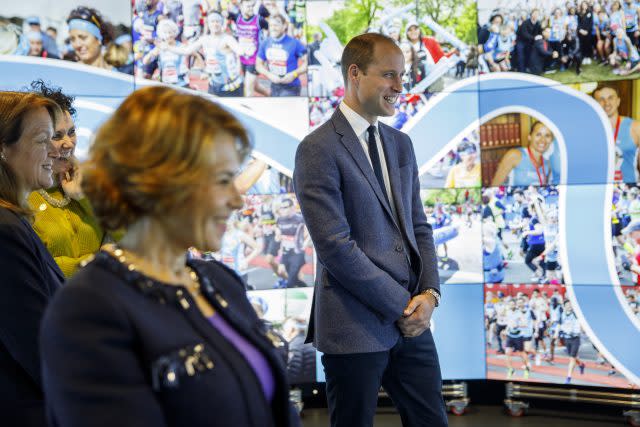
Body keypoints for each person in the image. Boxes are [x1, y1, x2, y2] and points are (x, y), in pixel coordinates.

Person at [39, 86, 300, 427]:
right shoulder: (89, 308)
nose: (236, 201)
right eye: (222, 181)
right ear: (161, 182)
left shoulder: (220, 282)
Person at [293, 33, 446, 427]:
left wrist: (429, 295)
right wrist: (403, 306)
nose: (399, 86)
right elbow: (335, 247)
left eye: (403, 76)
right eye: (389, 75)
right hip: (354, 326)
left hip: (413, 325)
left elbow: (419, 227)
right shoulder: (318, 148)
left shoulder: (401, 144)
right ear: (355, 74)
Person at [0, 91, 63, 426]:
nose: (55, 150)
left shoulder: (12, 223)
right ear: (3, 149)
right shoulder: (5, 231)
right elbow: (40, 349)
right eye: (42, 140)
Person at [27, 80, 105, 278]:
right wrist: (104, 264)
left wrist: (84, 197)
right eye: (57, 135)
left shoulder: (92, 181)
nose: (68, 143)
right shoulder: (19, 194)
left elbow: (128, 236)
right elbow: (40, 268)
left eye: (71, 132)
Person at [593, 84, 640, 182]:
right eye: (601, 99)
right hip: (601, 190)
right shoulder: (589, 131)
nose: (606, 103)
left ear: (618, 101)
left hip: (628, 191)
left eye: (611, 98)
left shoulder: (635, 127)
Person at [256, 13, 308, 96]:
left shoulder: (294, 43)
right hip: (274, 85)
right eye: (271, 25)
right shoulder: (265, 43)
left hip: (291, 87)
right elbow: (258, 65)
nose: (273, 28)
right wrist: (269, 75)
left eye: (276, 25)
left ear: (284, 26)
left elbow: (308, 62)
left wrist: (294, 74)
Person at [491, 121, 555, 186]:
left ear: (551, 140)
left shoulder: (547, 163)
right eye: (538, 134)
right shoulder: (515, 155)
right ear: (529, 137)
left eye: (547, 135)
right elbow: (494, 188)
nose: (543, 140)